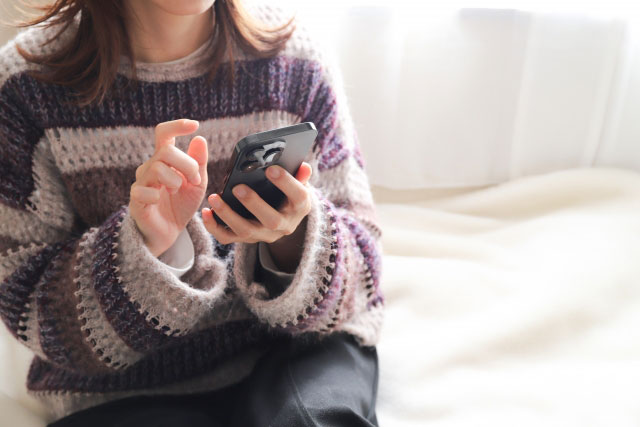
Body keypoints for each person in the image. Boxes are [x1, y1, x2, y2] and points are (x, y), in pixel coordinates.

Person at [0, 0, 384, 425]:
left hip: (297, 356)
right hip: (125, 390)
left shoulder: (298, 61)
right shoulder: (24, 87)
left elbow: (363, 274)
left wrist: (292, 238)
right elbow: (27, 303)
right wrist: (151, 249)